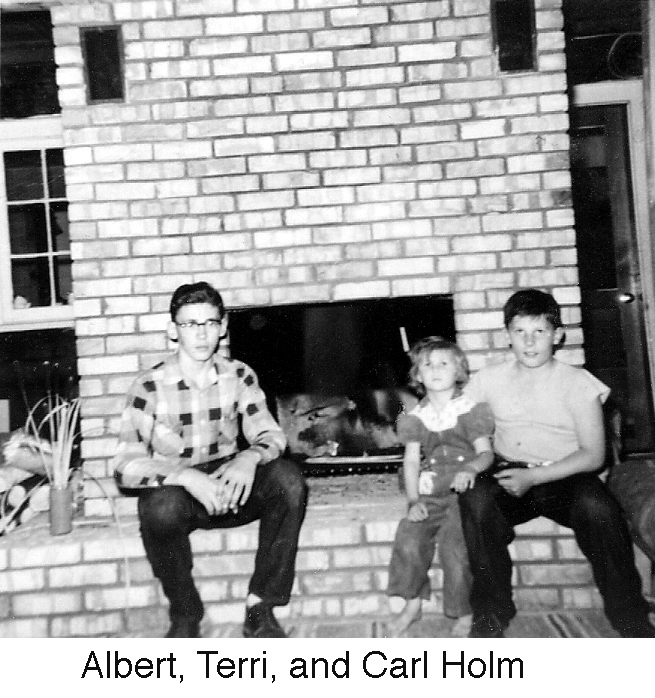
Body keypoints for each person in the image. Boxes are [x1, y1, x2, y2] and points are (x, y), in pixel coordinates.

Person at [112, 281, 307, 638]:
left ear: (223, 326)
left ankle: (260, 606)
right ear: (173, 330)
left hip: (232, 485)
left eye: (210, 323)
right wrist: (185, 477)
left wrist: (249, 458)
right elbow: (126, 465)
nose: (202, 334)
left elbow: (272, 435)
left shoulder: (240, 375)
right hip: (183, 495)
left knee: (288, 481)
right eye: (191, 324)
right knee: (158, 509)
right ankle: (185, 612)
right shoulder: (149, 387)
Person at [459, 288, 655, 638]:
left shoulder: (577, 383)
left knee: (599, 510)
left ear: (557, 335)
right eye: (520, 332)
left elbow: (593, 455)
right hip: (507, 472)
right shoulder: (488, 379)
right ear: (507, 336)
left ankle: (632, 620)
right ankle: (491, 614)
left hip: (565, 474)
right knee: (475, 499)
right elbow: (455, 421)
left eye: (540, 332)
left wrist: (535, 477)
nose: (530, 342)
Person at [386, 337, 494, 637]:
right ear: (417, 375)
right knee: (409, 537)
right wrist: (413, 500)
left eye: (443, 363)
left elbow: (486, 453)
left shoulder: (469, 410)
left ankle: (463, 610)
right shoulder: (416, 416)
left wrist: (470, 468)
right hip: (431, 490)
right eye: (427, 365)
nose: (435, 370)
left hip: (463, 492)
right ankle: (412, 603)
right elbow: (410, 462)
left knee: (455, 547)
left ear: (459, 371)